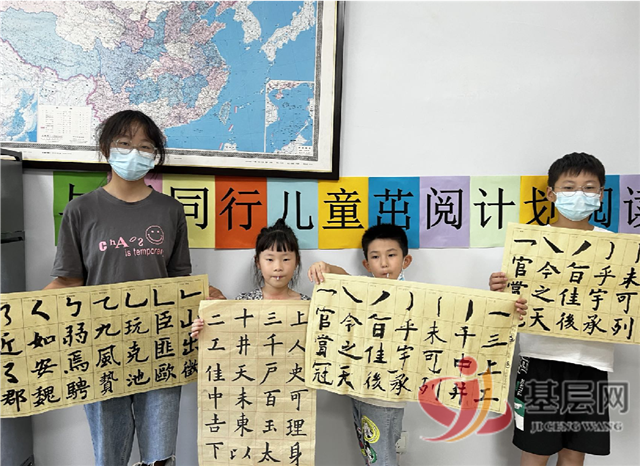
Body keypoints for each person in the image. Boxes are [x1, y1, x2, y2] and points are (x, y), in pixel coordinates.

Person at [45, 109, 223, 466]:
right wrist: (19, 316)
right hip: (100, 348)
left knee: (160, 456)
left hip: (161, 347)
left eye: (144, 147)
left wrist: (209, 296)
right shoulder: (80, 210)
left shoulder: (170, 210)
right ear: (106, 149)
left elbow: (178, 280)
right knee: (109, 455)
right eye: (124, 144)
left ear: (155, 155)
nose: (134, 153)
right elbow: (69, 281)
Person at [309, 223, 527, 466]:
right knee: (372, 454)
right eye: (375, 257)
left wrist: (502, 304)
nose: (384, 263)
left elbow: (462, 316)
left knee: (382, 459)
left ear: (406, 260)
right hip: (358, 388)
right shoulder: (364, 291)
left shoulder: (418, 299)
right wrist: (325, 267)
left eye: (391, 255)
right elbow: (341, 277)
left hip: (386, 396)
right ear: (366, 264)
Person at [490, 152, 611, 466]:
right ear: (551, 193)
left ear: (601, 193)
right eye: (569, 187)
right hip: (541, 359)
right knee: (536, 450)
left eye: (589, 187)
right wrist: (501, 291)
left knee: (574, 452)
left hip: (590, 362)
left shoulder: (614, 246)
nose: (579, 195)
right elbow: (510, 306)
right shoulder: (529, 243)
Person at [190, 218, 309, 340]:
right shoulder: (243, 303)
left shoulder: (309, 306)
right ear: (258, 262)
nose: (278, 267)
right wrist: (205, 331)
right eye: (270, 259)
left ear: (296, 261)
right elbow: (228, 343)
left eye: (286, 259)